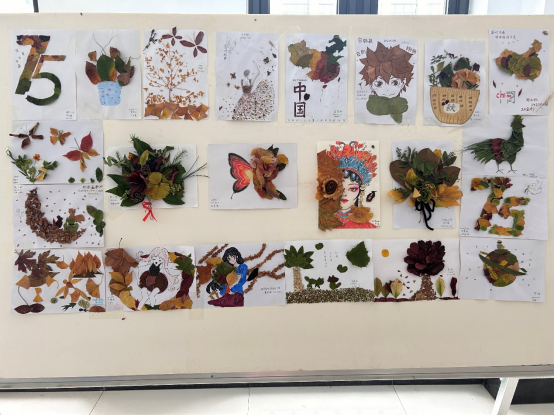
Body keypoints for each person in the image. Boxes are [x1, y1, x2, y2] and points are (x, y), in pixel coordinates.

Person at [359, 42, 415, 123]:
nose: (387, 89)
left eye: (395, 83)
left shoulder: (402, 105)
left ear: (403, 83)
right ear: (371, 85)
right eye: (379, 84)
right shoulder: (372, 107)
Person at [327, 142, 378, 229]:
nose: (344, 194)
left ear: (360, 191)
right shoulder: (324, 223)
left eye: (352, 189)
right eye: (339, 187)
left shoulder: (368, 227)